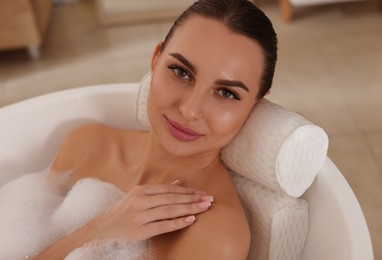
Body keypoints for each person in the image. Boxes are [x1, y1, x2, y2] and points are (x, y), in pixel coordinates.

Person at [35, 0, 277, 259]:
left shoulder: (215, 236)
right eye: (181, 72)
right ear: (155, 60)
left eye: (226, 93)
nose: (190, 110)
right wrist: (102, 229)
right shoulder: (86, 144)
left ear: (254, 106)